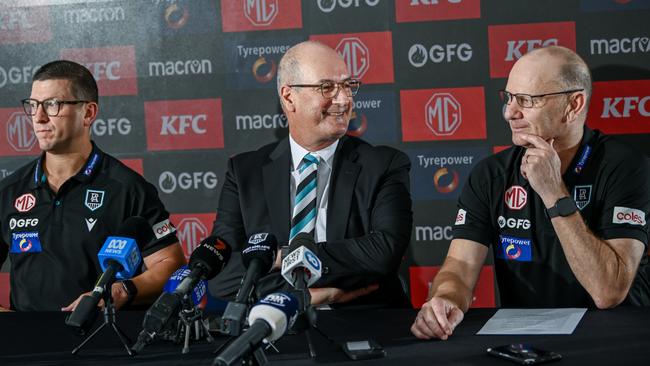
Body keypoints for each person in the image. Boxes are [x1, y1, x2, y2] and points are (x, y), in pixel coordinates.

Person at [411, 46, 649, 340]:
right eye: (509, 97)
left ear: (573, 105)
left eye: (527, 100)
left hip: (613, 340)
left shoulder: (625, 167)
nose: (510, 112)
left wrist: (554, 194)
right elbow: (460, 265)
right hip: (527, 343)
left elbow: (608, 291)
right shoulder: (491, 174)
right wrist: (446, 297)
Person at [210, 41, 413, 307]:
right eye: (327, 87)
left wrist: (279, 259)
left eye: (348, 85)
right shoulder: (244, 172)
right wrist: (301, 296)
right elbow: (221, 273)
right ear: (288, 97)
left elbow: (383, 254)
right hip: (274, 332)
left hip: (365, 323)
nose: (344, 99)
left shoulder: (384, 165)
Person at [0, 60, 186, 312]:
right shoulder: (9, 190)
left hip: (102, 341)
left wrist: (120, 292)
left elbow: (170, 263)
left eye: (53, 105)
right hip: (28, 345)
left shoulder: (127, 188)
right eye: (33, 106)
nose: (39, 117)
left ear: (88, 113)